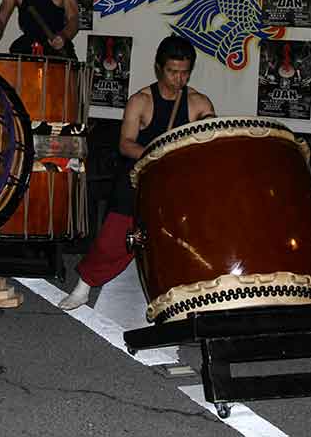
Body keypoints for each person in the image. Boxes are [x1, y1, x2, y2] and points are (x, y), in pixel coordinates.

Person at [58, 35, 215, 310]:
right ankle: (83, 287)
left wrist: (208, 126)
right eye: (172, 71)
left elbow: (207, 136)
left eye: (184, 72)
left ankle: (192, 295)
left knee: (193, 234)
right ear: (159, 68)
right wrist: (153, 153)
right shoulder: (140, 101)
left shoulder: (199, 103)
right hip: (138, 175)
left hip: (176, 179)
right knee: (113, 238)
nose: (178, 79)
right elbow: (125, 143)